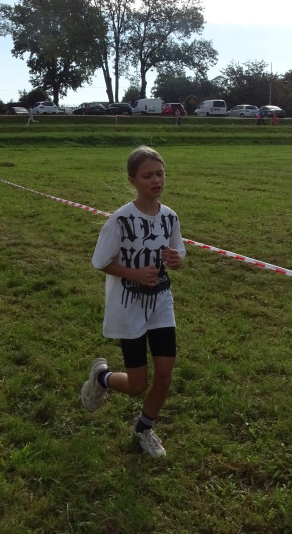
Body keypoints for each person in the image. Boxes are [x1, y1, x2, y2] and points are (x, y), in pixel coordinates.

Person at [80, 146, 187, 458]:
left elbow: (180, 253)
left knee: (165, 374)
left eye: (160, 173)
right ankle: (101, 378)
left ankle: (144, 428)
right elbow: (100, 261)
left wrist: (176, 260)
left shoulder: (170, 217)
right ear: (133, 181)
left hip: (161, 303)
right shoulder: (121, 220)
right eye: (148, 175)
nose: (156, 180)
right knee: (137, 384)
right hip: (129, 306)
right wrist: (134, 274)